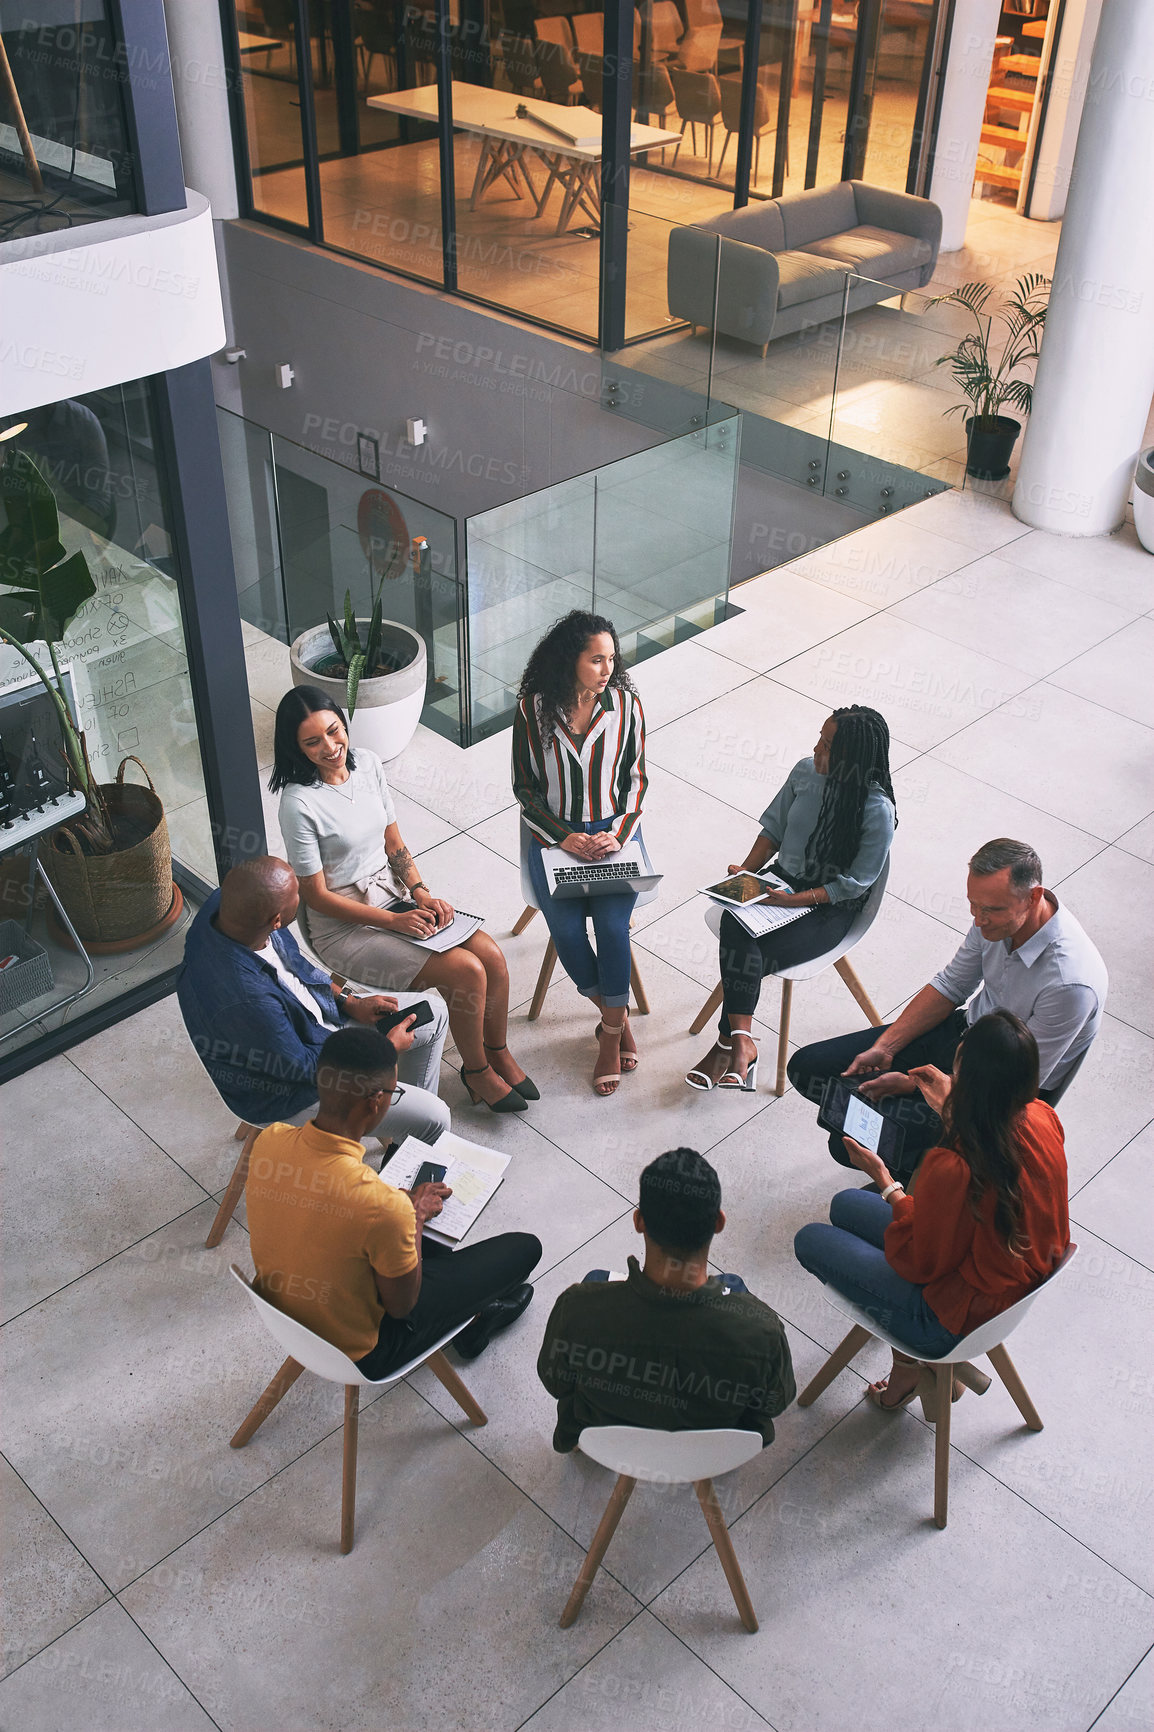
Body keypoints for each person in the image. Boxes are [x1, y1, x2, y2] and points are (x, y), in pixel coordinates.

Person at [271, 685, 535, 1116]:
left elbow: (393, 841)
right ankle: (477, 1070)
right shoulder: (299, 803)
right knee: (466, 972)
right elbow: (315, 895)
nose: (330, 747)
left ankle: (498, 1049)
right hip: (344, 926)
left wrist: (420, 892)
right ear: (295, 747)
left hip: (392, 897)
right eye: (312, 742)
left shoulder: (369, 765)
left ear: (343, 721)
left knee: (491, 955)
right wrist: (392, 922)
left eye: (334, 732)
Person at [793, 1011, 1070, 1411]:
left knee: (810, 1240)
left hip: (953, 1316)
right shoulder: (1045, 1118)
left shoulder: (952, 1165)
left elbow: (918, 1263)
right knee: (846, 1204)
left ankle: (916, 1365)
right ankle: (929, 1368)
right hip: (1012, 1281)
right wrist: (949, 1106)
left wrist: (886, 1182)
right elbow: (981, 1181)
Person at [788, 837, 1107, 1183]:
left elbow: (1017, 1084)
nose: (980, 921)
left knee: (845, 1142)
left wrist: (916, 1084)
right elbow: (952, 985)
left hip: (997, 1088)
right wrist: (886, 1046)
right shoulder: (995, 915)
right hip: (965, 1036)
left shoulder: (1070, 984)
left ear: (1033, 897)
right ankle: (913, 1160)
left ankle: (925, 1178)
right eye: (974, 905)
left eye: (991, 910)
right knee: (809, 1068)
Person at [246, 1026, 543, 1373]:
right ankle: (473, 1321)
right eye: (395, 1092)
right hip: (367, 1351)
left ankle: (472, 1317)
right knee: (525, 1248)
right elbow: (403, 1306)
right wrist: (412, 1216)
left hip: (290, 1317)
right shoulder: (383, 1206)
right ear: (375, 1101)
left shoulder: (271, 1139)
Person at [686, 705, 896, 1093]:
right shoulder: (804, 771)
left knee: (754, 952)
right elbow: (774, 829)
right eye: (820, 738)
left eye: (829, 746)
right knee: (736, 921)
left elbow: (856, 884)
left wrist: (796, 900)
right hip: (780, 881)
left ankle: (729, 1045)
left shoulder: (876, 810)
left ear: (854, 759)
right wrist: (747, 871)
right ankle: (741, 1044)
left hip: (829, 906)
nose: (817, 749)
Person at [178, 855, 449, 1147]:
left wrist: (348, 1001)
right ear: (276, 920)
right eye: (297, 893)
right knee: (435, 1118)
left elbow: (297, 969)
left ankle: (402, 1144)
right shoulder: (245, 999)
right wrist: (383, 1053)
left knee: (434, 1012)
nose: (305, 891)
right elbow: (306, 1070)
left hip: (315, 1027)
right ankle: (406, 1160)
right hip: (293, 1091)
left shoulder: (230, 909)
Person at [537, 1149, 795, 1451]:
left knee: (596, 1277)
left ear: (639, 1221)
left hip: (609, 1439)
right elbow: (775, 1403)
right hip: (713, 1450)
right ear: (719, 1222)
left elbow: (556, 1383)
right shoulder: (763, 1331)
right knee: (733, 1284)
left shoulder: (577, 1309)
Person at [513, 611, 648, 1096]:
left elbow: (636, 782)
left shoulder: (628, 707)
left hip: (615, 837)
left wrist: (620, 832)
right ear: (571, 660)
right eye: (596, 659)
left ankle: (609, 1039)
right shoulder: (533, 710)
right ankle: (618, 1018)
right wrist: (562, 836)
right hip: (555, 840)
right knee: (568, 935)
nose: (607, 668)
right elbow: (525, 788)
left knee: (612, 928)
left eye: (611, 658)